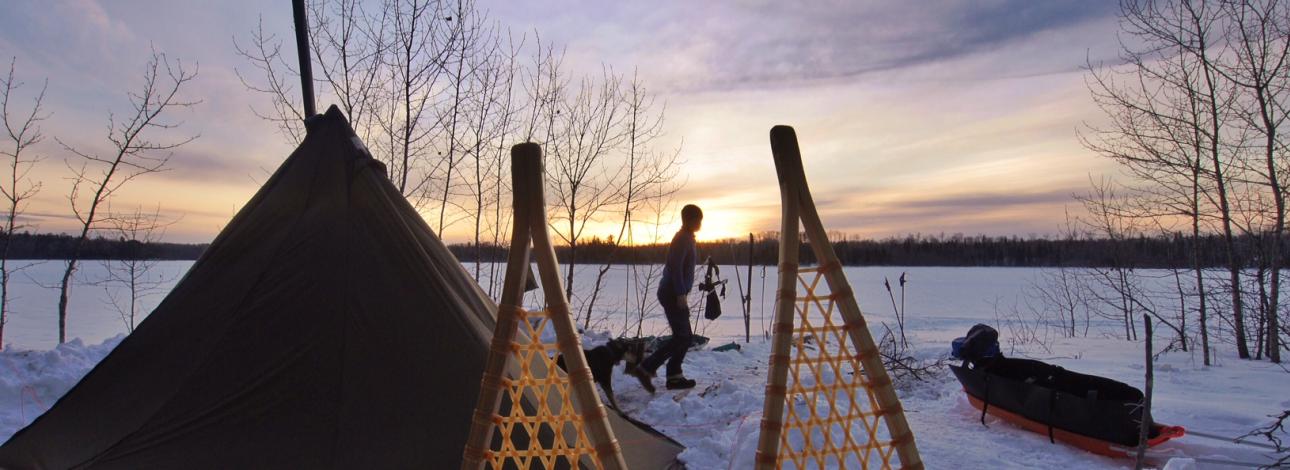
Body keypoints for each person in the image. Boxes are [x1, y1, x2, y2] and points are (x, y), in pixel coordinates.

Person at [629, 204, 702, 392]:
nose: (700, 223)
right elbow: (675, 268)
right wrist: (679, 293)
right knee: (682, 337)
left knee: (684, 337)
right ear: (690, 220)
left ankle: (674, 376)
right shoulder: (682, 240)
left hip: (676, 292)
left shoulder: (688, 238)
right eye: (698, 219)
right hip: (672, 293)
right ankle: (646, 368)